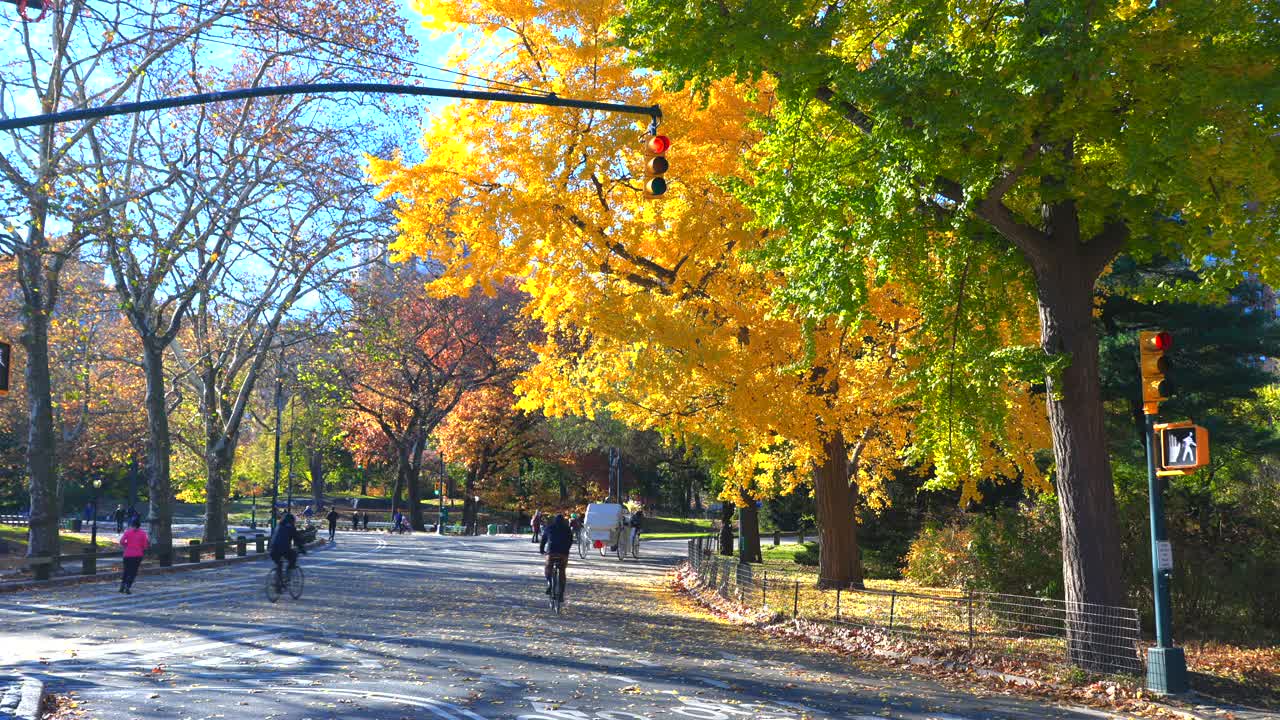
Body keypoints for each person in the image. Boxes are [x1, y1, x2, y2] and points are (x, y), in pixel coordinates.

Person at [268, 513, 307, 591]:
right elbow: (297, 540)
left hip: (272, 549)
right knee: (293, 557)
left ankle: (278, 583)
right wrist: (302, 549)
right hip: (284, 549)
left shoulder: (278, 526)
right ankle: (287, 575)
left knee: (279, 563)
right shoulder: (291, 528)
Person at [539, 513, 573, 602]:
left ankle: (550, 583)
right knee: (562, 571)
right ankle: (561, 594)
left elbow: (543, 540)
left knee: (548, 566)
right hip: (563, 553)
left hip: (551, 552)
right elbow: (570, 541)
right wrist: (567, 550)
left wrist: (542, 550)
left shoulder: (549, 527)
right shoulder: (567, 529)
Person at [118, 517, 149, 594]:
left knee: (126, 571)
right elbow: (145, 545)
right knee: (133, 572)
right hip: (137, 555)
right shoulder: (143, 533)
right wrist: (141, 547)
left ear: (132, 525)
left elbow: (121, 541)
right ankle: (128, 586)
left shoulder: (127, 532)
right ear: (139, 525)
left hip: (127, 554)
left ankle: (122, 585)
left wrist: (127, 545)